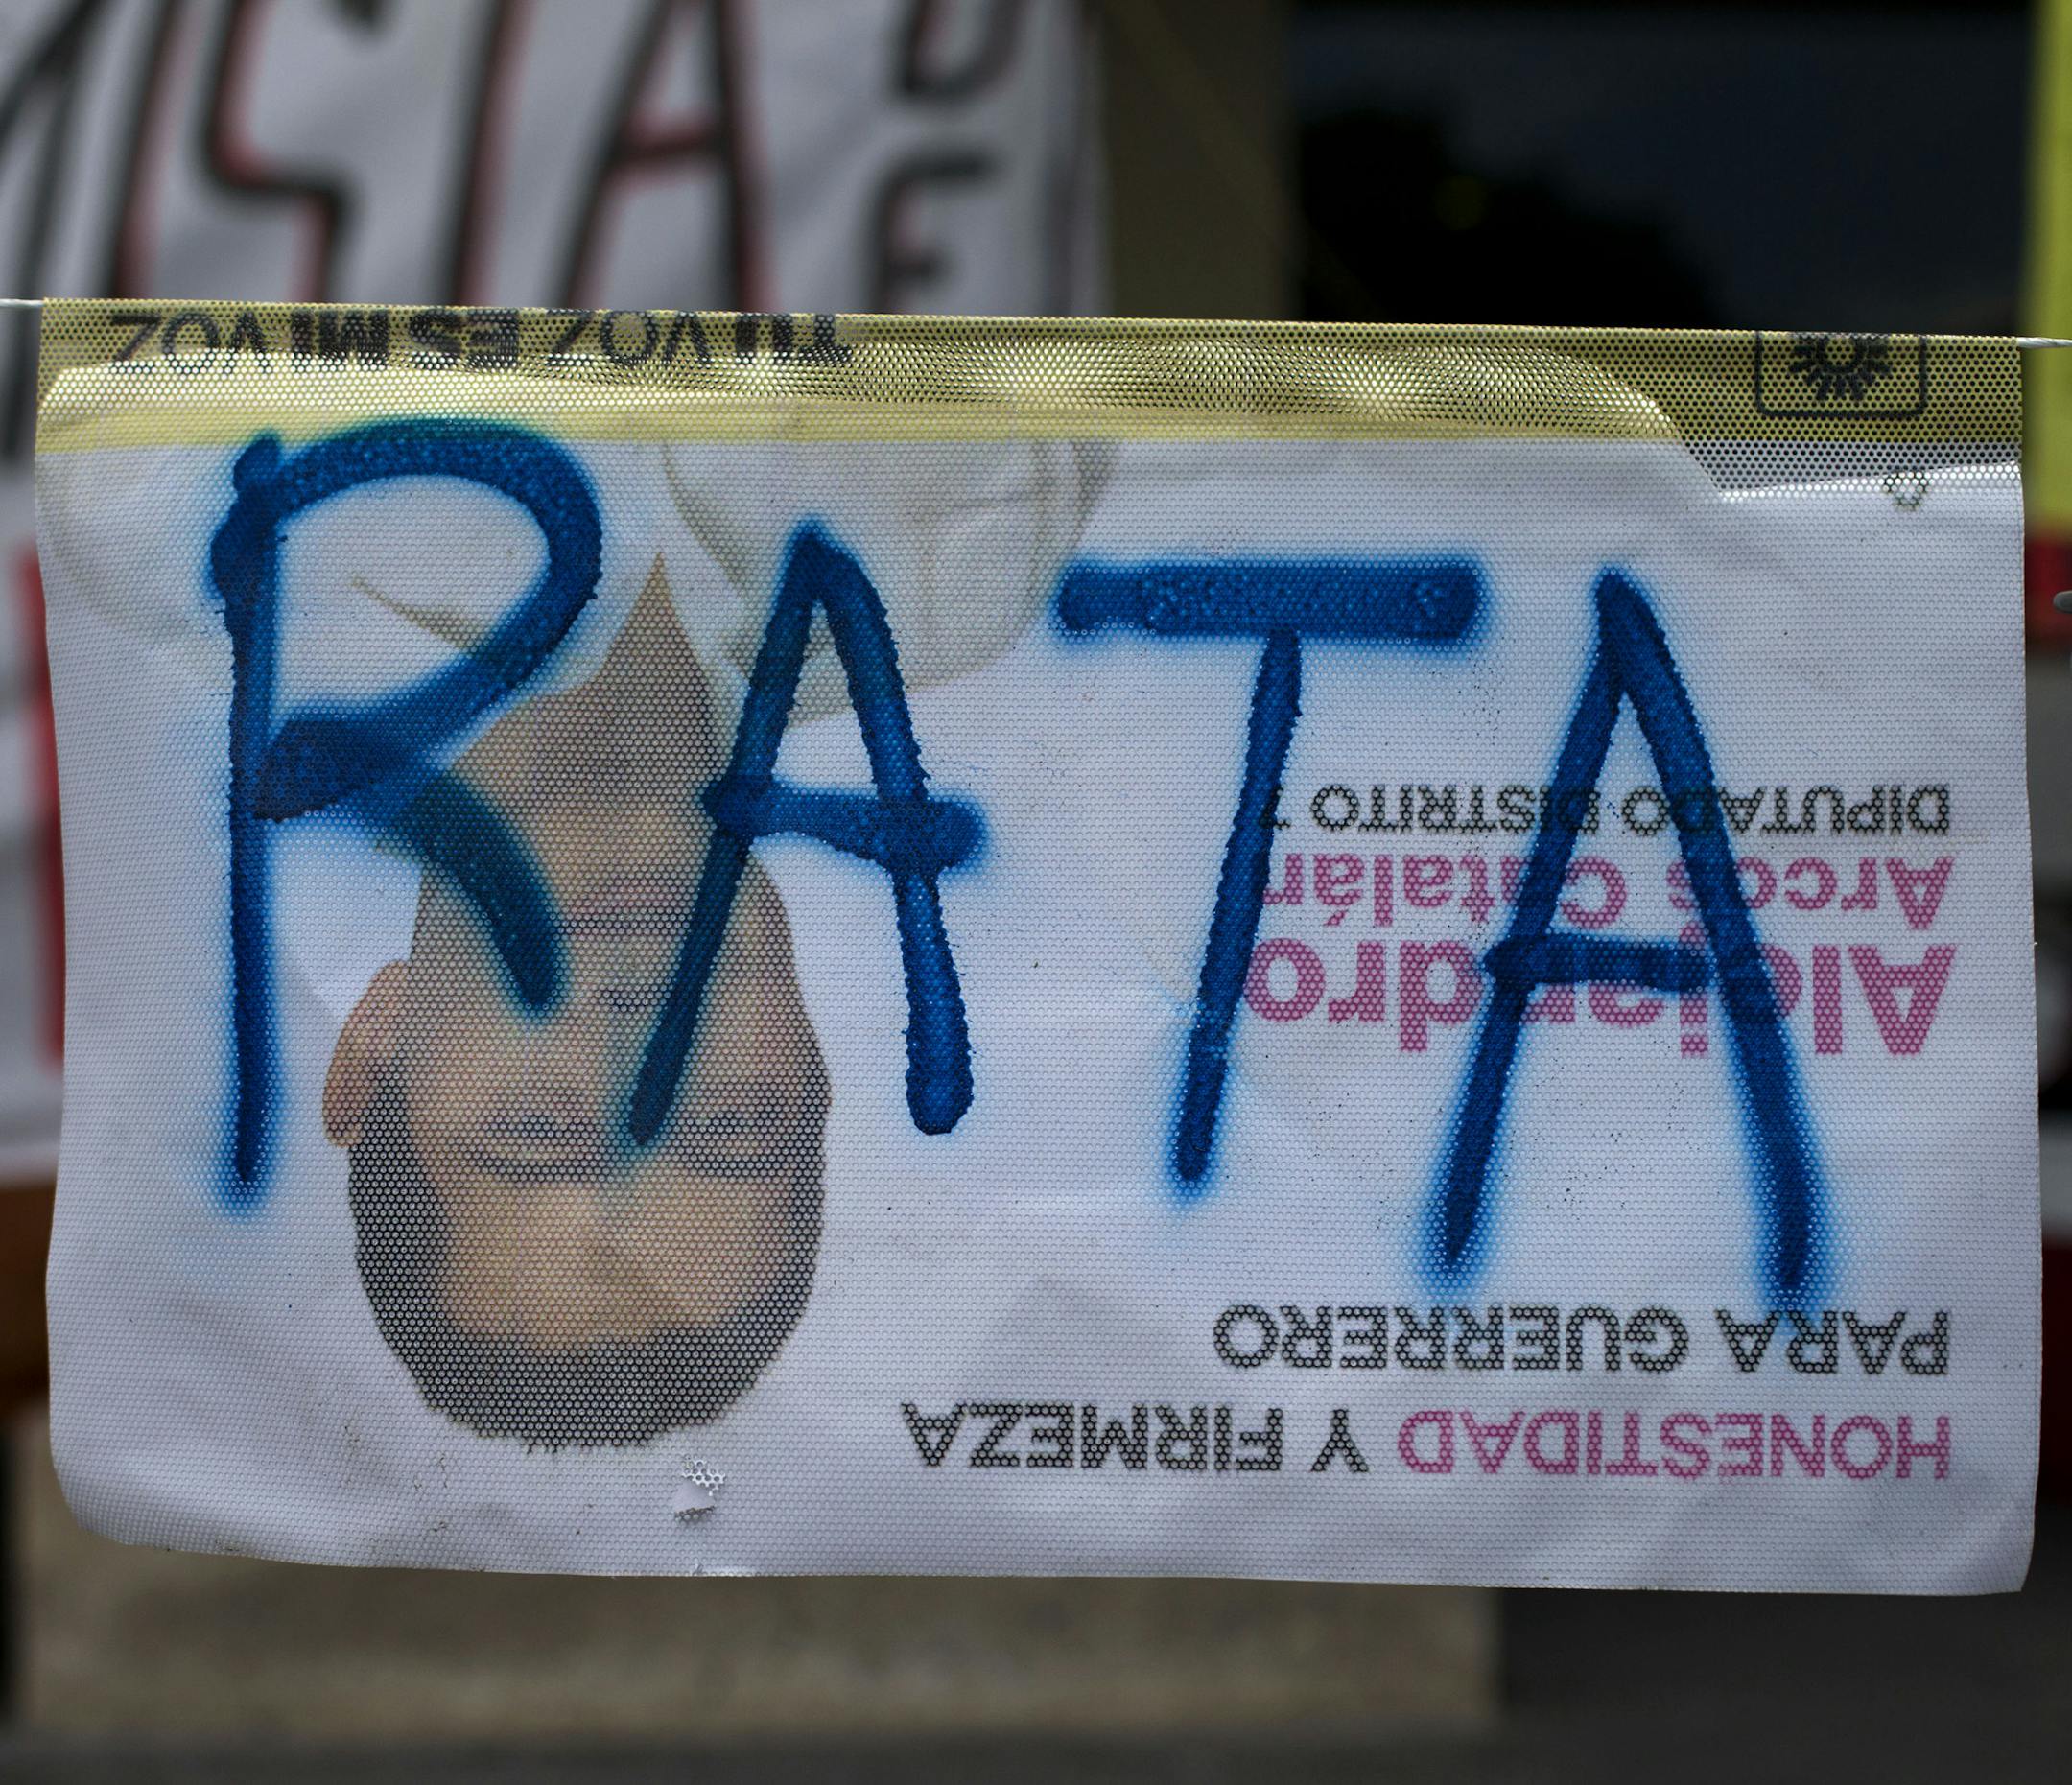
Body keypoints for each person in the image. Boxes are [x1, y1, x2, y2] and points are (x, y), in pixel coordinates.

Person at [320, 564, 829, 1448]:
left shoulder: (246, 573)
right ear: (816, 1060)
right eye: (732, 1119)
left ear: (378, 1033)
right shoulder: (963, 557)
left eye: (535, 1126)